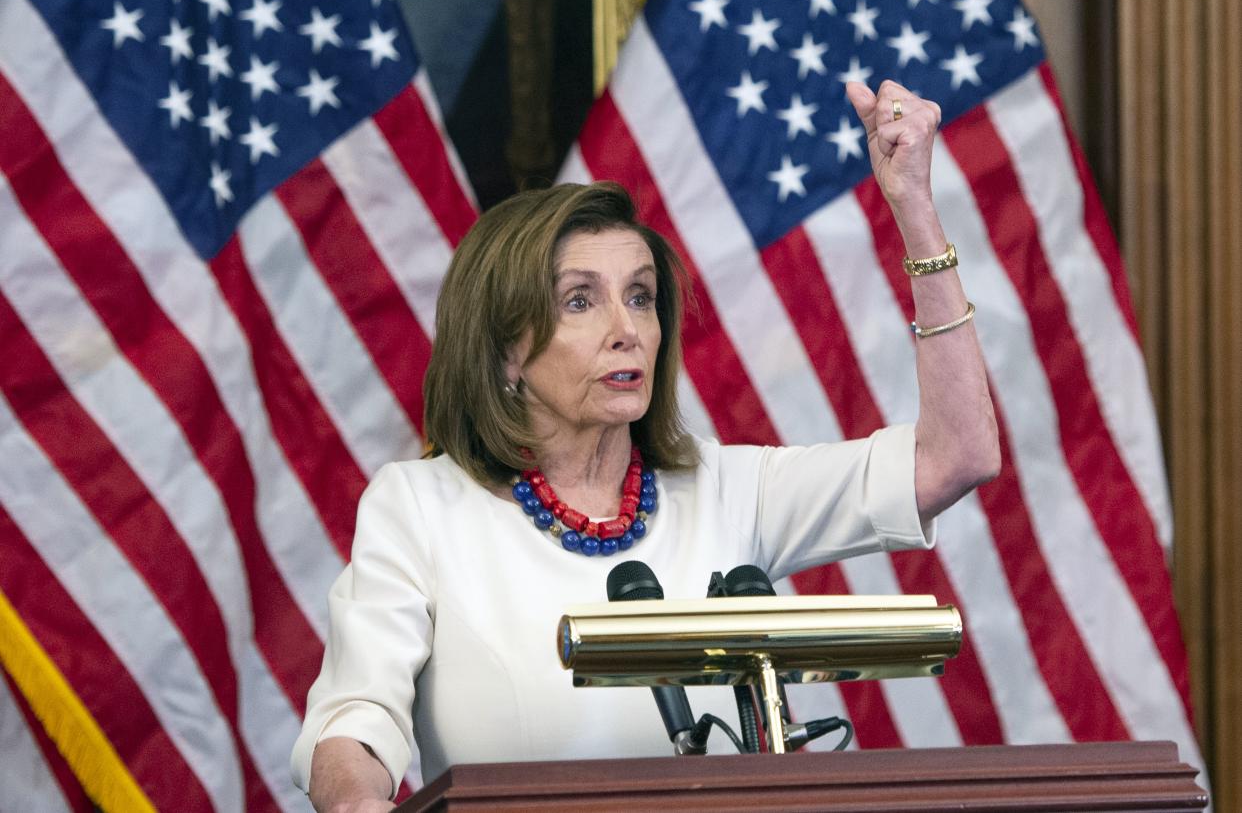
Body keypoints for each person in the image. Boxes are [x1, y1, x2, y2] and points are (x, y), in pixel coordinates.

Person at [290, 80, 1000, 812]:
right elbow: (354, 728)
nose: (626, 327)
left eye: (639, 296)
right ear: (507, 351)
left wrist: (914, 207)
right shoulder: (422, 507)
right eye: (579, 300)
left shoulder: (724, 488)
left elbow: (955, 455)